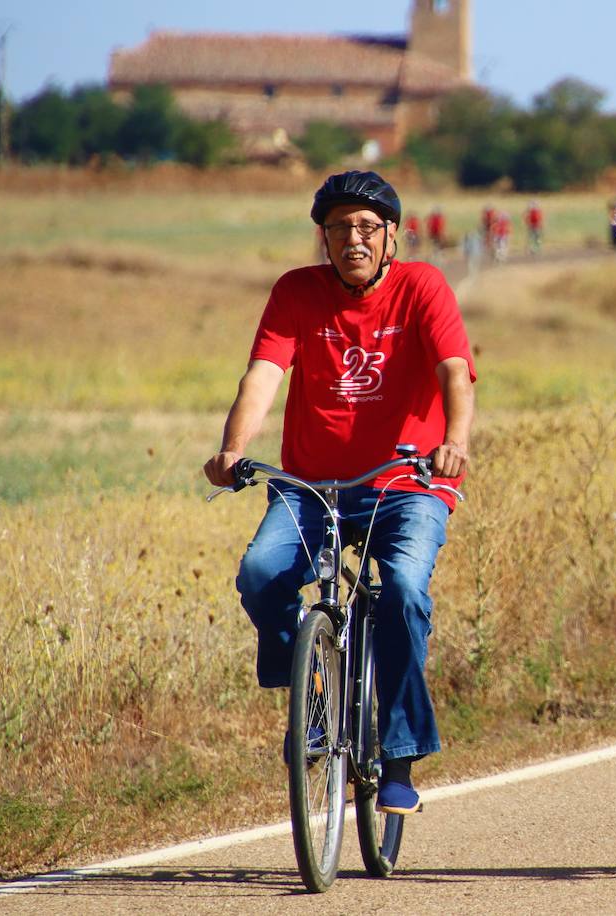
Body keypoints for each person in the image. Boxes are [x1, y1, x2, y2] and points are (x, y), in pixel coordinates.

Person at [203, 170, 476, 816]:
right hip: (311, 486)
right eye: (337, 228)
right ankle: (302, 666)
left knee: (404, 590)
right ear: (322, 238)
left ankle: (401, 755)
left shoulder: (422, 287)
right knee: (261, 572)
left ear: (390, 237)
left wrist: (455, 438)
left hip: (406, 482)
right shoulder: (297, 292)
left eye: (365, 227)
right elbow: (262, 377)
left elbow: (455, 373)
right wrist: (233, 449)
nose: (351, 239)